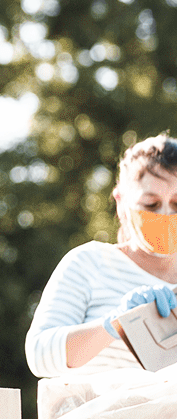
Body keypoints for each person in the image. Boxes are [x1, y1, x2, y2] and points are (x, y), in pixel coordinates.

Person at [27, 134, 177, 385]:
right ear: (121, 203)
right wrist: (115, 323)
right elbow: (39, 355)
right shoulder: (89, 264)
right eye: (151, 204)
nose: (166, 214)